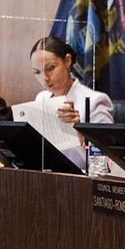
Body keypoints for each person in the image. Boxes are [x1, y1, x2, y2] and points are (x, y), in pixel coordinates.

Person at [28, 36, 113, 170]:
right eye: (37, 72)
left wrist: (79, 134)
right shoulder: (41, 98)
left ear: (67, 61)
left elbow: (106, 163)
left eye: (50, 68)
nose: (44, 78)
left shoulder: (95, 101)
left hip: (79, 181)